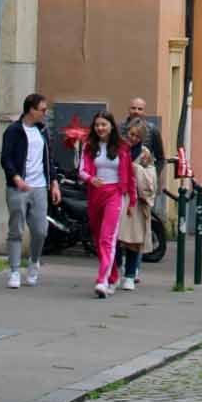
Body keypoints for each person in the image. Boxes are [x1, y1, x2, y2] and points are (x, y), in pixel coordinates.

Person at [0, 92, 60, 289]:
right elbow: (6, 158)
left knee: (40, 230)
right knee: (16, 229)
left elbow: (49, 159)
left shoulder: (42, 131)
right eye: (42, 110)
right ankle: (15, 270)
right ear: (31, 110)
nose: (45, 113)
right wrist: (16, 177)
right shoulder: (14, 131)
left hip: (39, 186)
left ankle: (34, 262)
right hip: (18, 187)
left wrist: (54, 183)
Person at [79, 109, 136, 298]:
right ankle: (112, 276)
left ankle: (101, 281)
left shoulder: (122, 148)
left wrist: (132, 200)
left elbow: (130, 174)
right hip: (95, 194)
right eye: (97, 125)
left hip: (115, 194)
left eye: (104, 124)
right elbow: (82, 170)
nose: (100, 128)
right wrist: (90, 179)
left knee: (107, 238)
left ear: (111, 126)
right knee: (98, 239)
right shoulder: (89, 146)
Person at [114, 117, 158, 291]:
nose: (132, 139)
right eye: (131, 134)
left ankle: (130, 275)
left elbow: (150, 180)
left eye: (137, 136)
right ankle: (116, 270)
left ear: (142, 138)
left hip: (136, 203)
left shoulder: (145, 154)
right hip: (119, 197)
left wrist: (135, 169)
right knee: (115, 238)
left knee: (134, 240)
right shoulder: (118, 149)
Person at [124, 97, 166, 170]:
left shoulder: (152, 129)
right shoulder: (119, 128)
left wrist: (153, 175)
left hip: (142, 176)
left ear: (144, 112)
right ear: (128, 110)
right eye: (133, 108)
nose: (136, 111)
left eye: (140, 109)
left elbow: (160, 159)